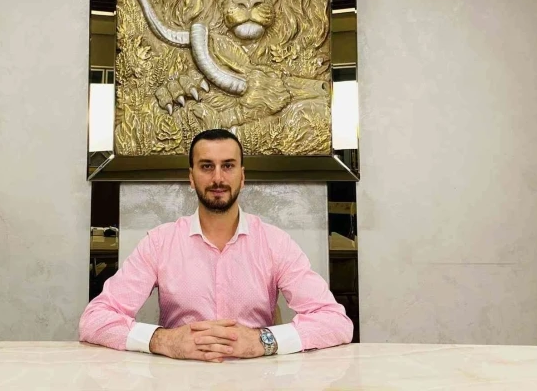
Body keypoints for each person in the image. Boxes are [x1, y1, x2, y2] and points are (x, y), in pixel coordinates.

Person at [79, 129, 353, 362]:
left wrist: (261, 340)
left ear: (242, 176)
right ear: (191, 177)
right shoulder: (160, 242)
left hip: (257, 379)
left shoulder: (274, 243)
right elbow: (94, 319)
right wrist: (165, 341)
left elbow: (335, 322)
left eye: (228, 166)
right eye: (207, 166)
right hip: (177, 379)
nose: (218, 178)